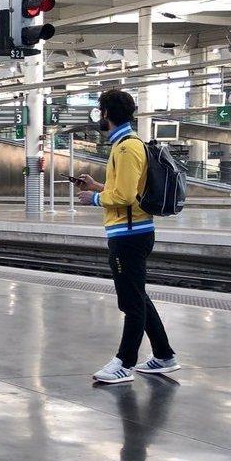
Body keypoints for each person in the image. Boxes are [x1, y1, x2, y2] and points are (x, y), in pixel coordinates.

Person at [78, 89, 178, 384]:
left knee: (130, 303)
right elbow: (124, 190)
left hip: (129, 235)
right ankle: (164, 355)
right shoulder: (126, 144)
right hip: (132, 230)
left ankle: (125, 363)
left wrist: (93, 199)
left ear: (106, 113)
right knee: (139, 297)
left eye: (100, 111)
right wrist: (98, 186)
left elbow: (123, 196)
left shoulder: (125, 148)